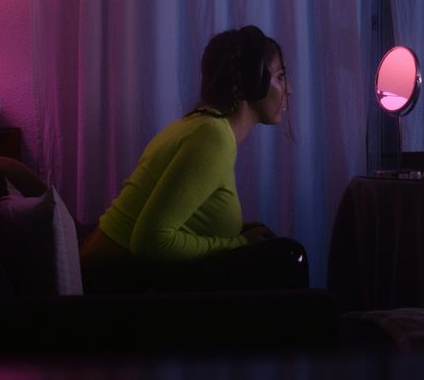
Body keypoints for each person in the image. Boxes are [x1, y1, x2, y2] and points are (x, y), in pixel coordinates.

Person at [80, 25, 306, 293]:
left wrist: (237, 234)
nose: (288, 90)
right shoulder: (212, 138)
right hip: (110, 289)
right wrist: (238, 245)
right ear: (254, 82)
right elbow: (151, 241)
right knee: (290, 255)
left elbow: (176, 221)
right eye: (280, 76)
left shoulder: (201, 126)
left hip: (115, 279)